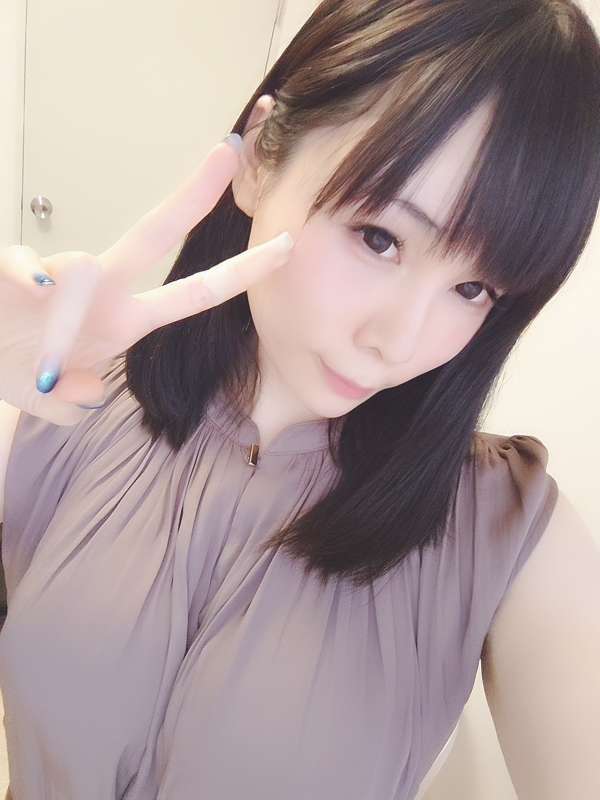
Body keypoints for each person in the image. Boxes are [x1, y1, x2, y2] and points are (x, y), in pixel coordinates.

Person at [0, 0, 598, 798]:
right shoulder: (63, 408)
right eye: (380, 238)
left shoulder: (513, 537)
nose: (399, 342)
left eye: (474, 288)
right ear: (259, 158)